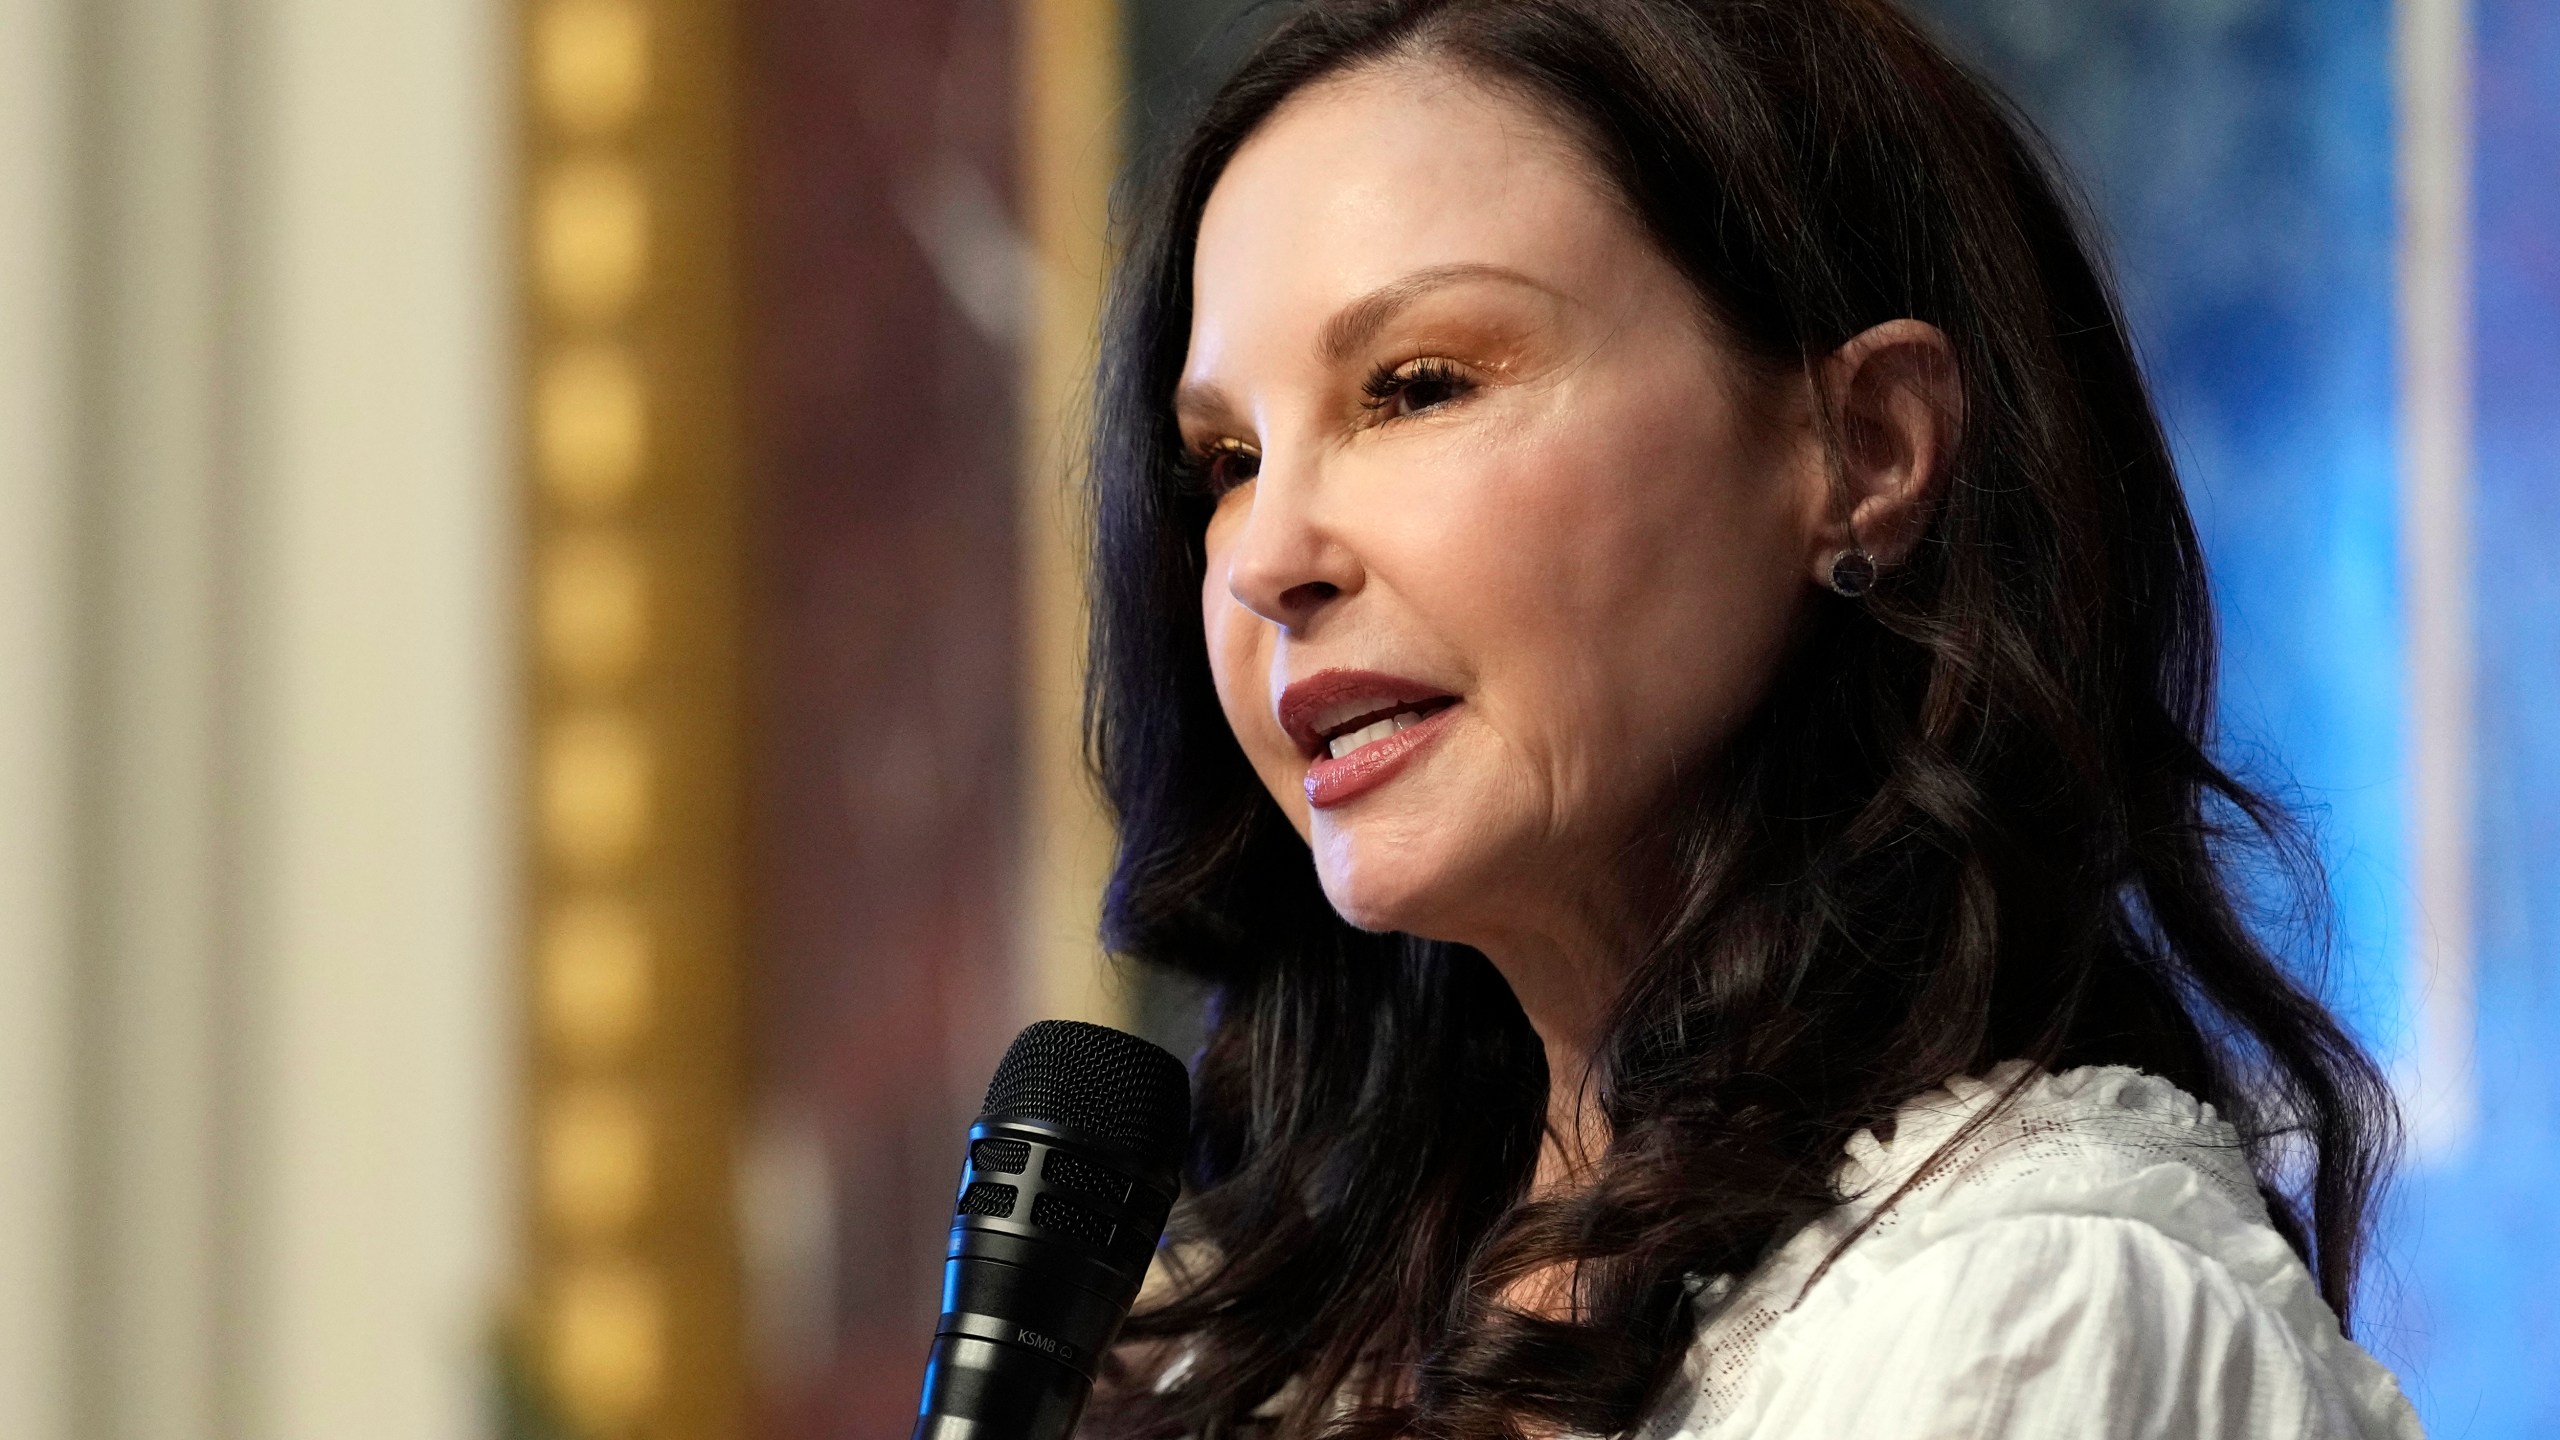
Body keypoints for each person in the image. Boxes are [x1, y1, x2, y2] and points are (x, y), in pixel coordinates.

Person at [1078, 1, 2421, 1435]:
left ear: (1865, 445)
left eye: (1416, 387)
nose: (1267, 556)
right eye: (1224, 460)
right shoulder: (1246, 1347)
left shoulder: (2024, 1309)